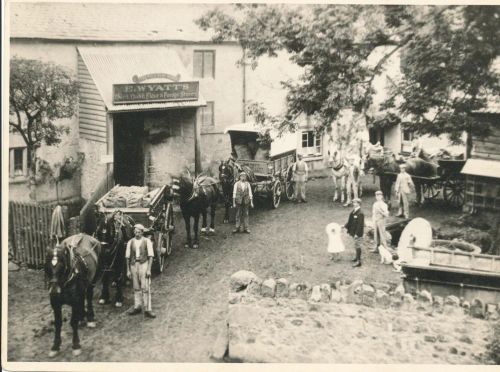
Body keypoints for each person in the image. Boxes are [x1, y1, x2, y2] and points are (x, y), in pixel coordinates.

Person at [126, 224, 156, 318]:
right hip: (134, 265)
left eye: (139, 232)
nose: (137, 234)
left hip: (144, 264)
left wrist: (149, 269)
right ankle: (137, 307)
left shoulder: (147, 241)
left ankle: (148, 309)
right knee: (136, 287)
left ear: (142, 232)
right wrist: (128, 270)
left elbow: (151, 256)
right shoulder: (130, 242)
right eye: (135, 232)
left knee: (145, 287)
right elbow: (127, 257)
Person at [343, 198, 364, 267]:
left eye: (355, 203)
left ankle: (359, 261)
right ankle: (356, 258)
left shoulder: (360, 213)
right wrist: (344, 226)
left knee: (358, 246)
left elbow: (360, 225)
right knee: (356, 245)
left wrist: (357, 234)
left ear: (358, 204)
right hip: (353, 232)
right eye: (353, 202)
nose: (353, 204)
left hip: (357, 233)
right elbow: (350, 221)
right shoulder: (354, 211)